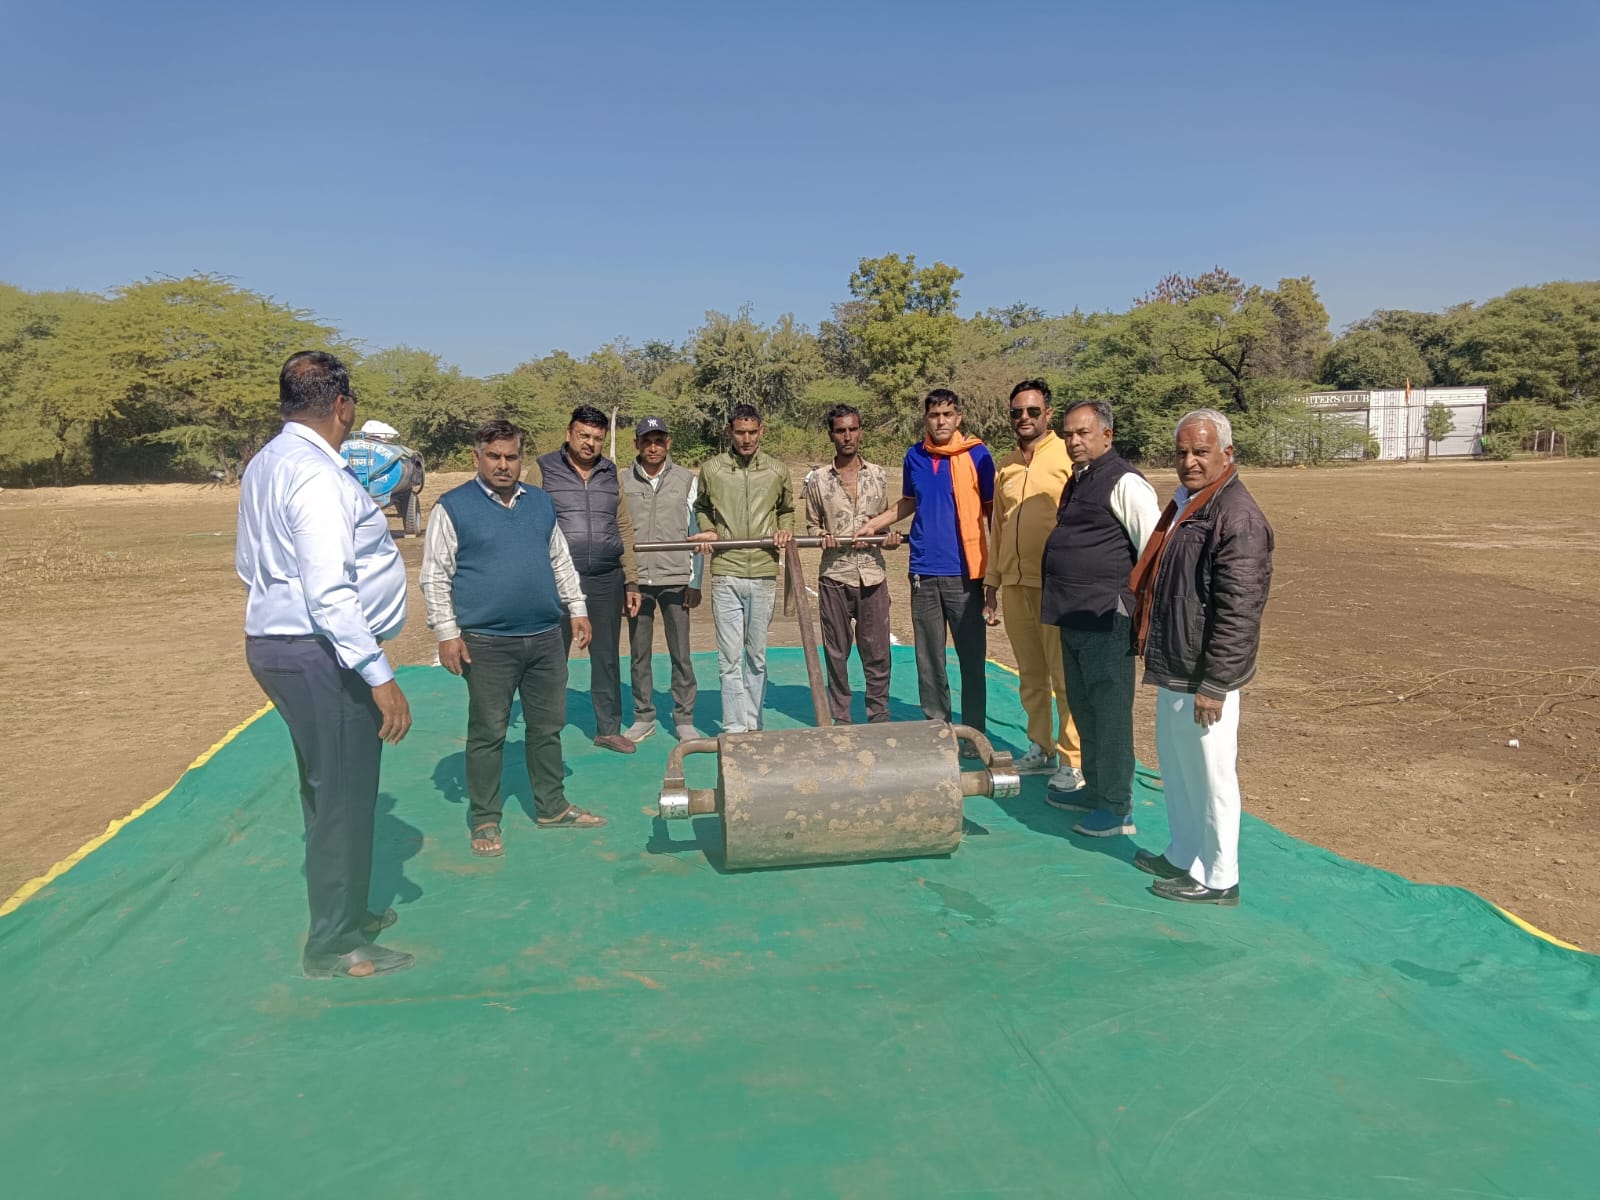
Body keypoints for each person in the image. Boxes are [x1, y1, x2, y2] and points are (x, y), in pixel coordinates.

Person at [237, 350, 414, 979]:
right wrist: (379, 673)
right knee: (341, 792)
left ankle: (348, 910)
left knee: (331, 788)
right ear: (342, 405)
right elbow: (329, 589)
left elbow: (249, 564)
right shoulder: (314, 474)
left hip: (284, 642)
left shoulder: (268, 461)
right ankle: (334, 943)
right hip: (320, 650)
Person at [420, 418, 605, 858]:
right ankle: (485, 817)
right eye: (494, 457)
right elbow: (434, 576)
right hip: (485, 642)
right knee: (488, 733)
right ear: (476, 458)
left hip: (544, 638)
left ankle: (552, 806)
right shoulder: (453, 507)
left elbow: (559, 560)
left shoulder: (540, 503)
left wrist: (577, 609)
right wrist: (447, 634)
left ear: (522, 458)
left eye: (512, 457)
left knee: (547, 728)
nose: (504, 465)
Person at [1129, 408, 1274, 904]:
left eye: (1201, 451)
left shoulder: (1237, 517)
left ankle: (1220, 876)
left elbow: (1239, 611)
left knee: (1211, 775)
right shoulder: (1190, 504)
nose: (1189, 461)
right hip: (1176, 662)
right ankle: (1183, 851)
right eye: (1183, 452)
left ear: (1227, 454)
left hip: (1204, 673)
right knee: (1177, 766)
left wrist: (1217, 683)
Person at [1040, 399, 1162, 838]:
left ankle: (1117, 806)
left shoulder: (1125, 482)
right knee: (1085, 708)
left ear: (1107, 435)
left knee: (1110, 715)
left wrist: (1143, 618)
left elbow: (1153, 552)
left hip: (1107, 620)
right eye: (1069, 434)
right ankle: (1094, 788)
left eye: (1083, 433)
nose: (1074, 441)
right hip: (1074, 616)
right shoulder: (1078, 480)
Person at [857, 388, 994, 738]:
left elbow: (993, 512)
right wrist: (876, 524)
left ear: (958, 417)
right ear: (926, 419)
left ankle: (974, 734)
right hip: (924, 573)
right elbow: (908, 502)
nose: (941, 421)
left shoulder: (977, 455)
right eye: (934, 415)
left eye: (947, 414)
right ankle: (939, 731)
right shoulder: (914, 456)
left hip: (966, 576)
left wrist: (995, 573)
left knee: (971, 660)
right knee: (929, 661)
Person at [982, 379, 1083, 791]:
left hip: (1056, 585)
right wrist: (992, 583)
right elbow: (998, 528)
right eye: (1016, 413)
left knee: (1063, 676)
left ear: (1048, 414)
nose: (1024, 418)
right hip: (1014, 584)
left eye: (1032, 411)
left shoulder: (1067, 456)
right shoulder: (1004, 465)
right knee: (1030, 674)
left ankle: (1072, 760)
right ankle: (1039, 747)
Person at [526, 406, 642, 754]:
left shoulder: (610, 473)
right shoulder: (543, 469)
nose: (590, 443)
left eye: (597, 438)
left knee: (606, 658)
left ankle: (609, 729)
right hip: (557, 581)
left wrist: (631, 580)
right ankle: (545, 732)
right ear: (568, 434)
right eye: (583, 435)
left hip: (607, 577)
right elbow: (527, 522)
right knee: (551, 658)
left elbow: (623, 525)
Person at [690, 404, 795, 733]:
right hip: (726, 572)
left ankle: (754, 725)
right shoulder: (713, 469)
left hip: (764, 573)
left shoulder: (777, 470)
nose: (746, 439)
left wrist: (784, 529)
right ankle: (735, 729)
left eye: (752, 432)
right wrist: (710, 530)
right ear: (729, 432)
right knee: (729, 657)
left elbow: (787, 509)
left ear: (761, 430)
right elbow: (702, 506)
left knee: (757, 656)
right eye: (740, 432)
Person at [802, 403, 900, 724]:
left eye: (853, 429)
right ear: (831, 434)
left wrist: (888, 536)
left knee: (877, 652)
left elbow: (883, 521)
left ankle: (878, 715)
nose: (847, 436)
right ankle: (841, 719)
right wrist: (822, 535)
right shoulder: (817, 480)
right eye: (840, 430)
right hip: (834, 576)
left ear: (860, 431)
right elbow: (812, 524)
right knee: (836, 652)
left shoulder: (879, 476)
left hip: (872, 575)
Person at [620, 416, 703, 743]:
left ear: (668, 442)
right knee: (639, 652)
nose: (653, 447)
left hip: (676, 579)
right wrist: (626, 581)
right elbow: (620, 532)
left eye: (659, 440)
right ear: (636, 444)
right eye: (646, 440)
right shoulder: (622, 481)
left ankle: (684, 717)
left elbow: (696, 531)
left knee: (681, 652)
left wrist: (695, 582)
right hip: (637, 581)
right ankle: (643, 716)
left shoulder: (685, 479)